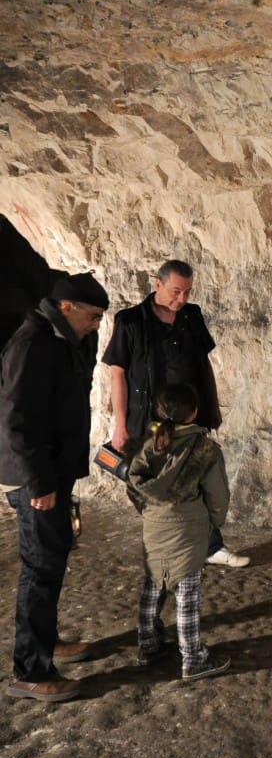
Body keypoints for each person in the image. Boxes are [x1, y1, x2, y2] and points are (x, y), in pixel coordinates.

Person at [0, 272, 109, 702]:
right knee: (40, 568)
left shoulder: (59, 340)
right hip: (36, 480)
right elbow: (16, 420)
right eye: (93, 316)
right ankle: (30, 670)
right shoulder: (34, 343)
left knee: (53, 557)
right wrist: (40, 482)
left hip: (50, 474)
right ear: (66, 307)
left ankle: (46, 641)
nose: (97, 325)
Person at [102, 259, 248, 568]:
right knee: (150, 485)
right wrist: (120, 425)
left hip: (188, 417)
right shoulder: (129, 321)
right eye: (175, 291)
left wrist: (211, 408)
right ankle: (170, 541)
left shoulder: (191, 317)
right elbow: (118, 374)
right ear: (157, 284)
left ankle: (211, 546)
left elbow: (203, 364)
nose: (181, 299)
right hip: (147, 420)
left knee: (197, 480)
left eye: (187, 292)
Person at [127, 383, 232, 681]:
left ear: (159, 412)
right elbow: (218, 496)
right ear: (195, 412)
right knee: (187, 593)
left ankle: (147, 645)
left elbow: (134, 483)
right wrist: (213, 523)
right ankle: (193, 658)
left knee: (153, 584)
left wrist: (149, 513)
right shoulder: (204, 449)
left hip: (155, 527)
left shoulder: (150, 444)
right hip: (188, 530)